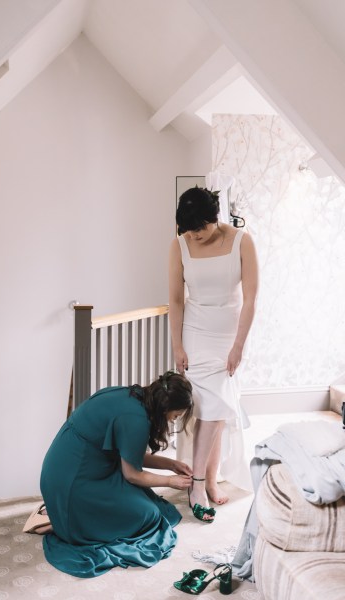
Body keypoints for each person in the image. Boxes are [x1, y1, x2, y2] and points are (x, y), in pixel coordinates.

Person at [24, 371, 194, 578]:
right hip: (76, 481)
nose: (173, 422)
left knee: (149, 503)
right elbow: (132, 474)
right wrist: (170, 481)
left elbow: (129, 453)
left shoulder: (128, 395)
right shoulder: (136, 419)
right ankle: (70, 519)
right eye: (175, 416)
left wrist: (171, 464)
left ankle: (65, 514)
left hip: (62, 469)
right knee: (149, 516)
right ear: (165, 408)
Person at [168, 186, 258, 521]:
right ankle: (204, 482)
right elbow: (176, 300)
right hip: (195, 333)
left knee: (217, 406)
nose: (193, 235)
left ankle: (201, 482)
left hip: (228, 335)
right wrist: (177, 345)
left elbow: (250, 299)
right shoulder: (179, 245)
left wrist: (238, 345)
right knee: (210, 408)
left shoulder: (241, 241)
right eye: (188, 230)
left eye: (199, 229)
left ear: (214, 219)